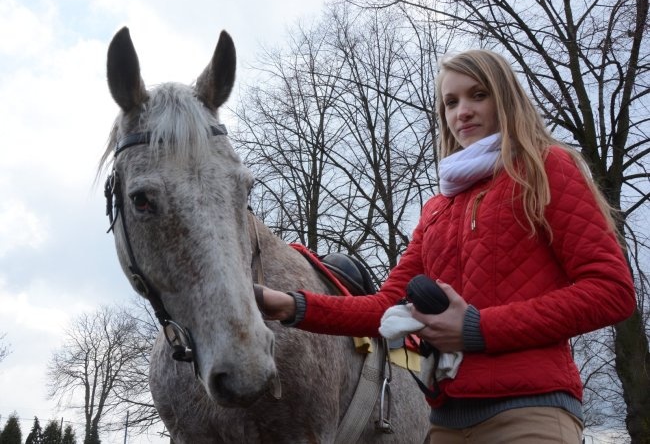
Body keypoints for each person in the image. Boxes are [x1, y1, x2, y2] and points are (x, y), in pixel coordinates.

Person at [257, 49, 636, 443]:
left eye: (478, 95)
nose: (463, 112)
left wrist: (477, 329)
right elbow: (384, 307)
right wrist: (290, 305)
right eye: (450, 103)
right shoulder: (438, 208)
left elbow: (612, 292)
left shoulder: (547, 168)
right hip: (445, 423)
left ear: (505, 99)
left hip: (530, 412)